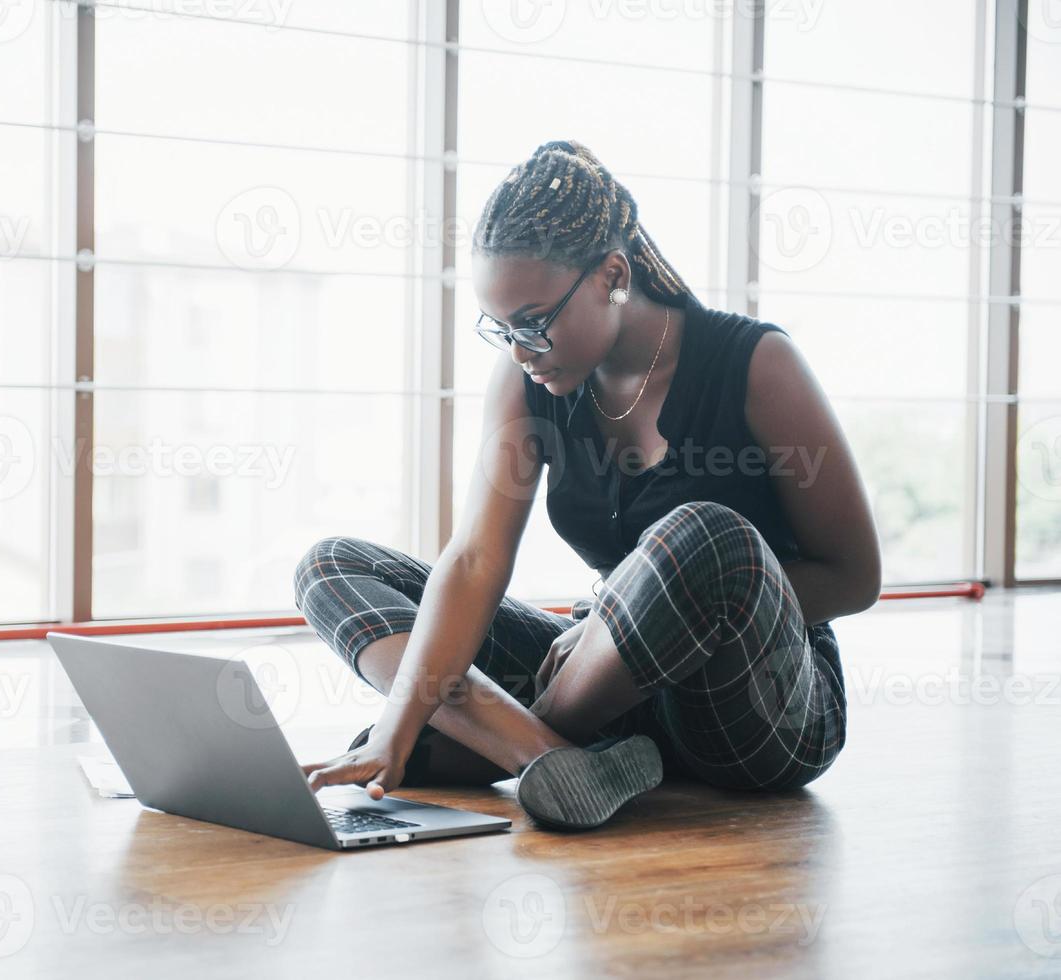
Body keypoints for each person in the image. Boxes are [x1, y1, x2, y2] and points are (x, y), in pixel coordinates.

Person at [292, 140, 883, 830]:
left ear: (610, 275)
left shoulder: (755, 363)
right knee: (330, 564)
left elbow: (854, 577)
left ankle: (501, 744)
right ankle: (548, 756)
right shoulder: (526, 380)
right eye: (502, 328)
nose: (519, 350)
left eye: (535, 323)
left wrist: (620, 611)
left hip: (753, 704)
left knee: (702, 534)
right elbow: (475, 560)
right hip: (609, 687)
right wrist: (398, 723)